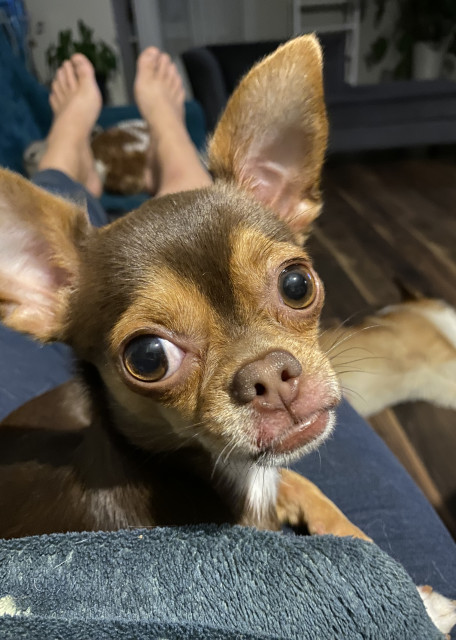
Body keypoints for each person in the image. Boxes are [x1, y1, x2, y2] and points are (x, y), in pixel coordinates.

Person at [1, 49, 455, 602]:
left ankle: (73, 156)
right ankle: (154, 157)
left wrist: (301, 496)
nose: (271, 375)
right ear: (40, 291)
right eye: (153, 357)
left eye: (293, 288)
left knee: (196, 224)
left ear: (286, 199)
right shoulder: (157, 583)